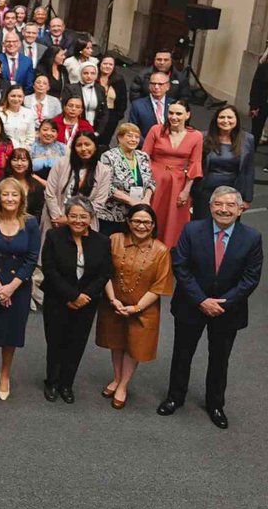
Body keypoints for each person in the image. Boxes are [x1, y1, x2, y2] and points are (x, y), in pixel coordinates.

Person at [158, 187, 263, 429]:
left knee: (220, 359)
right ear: (210, 206)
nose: (224, 209)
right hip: (191, 305)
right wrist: (201, 300)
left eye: (230, 205)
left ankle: (215, 404)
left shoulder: (252, 237)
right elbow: (181, 266)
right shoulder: (192, 230)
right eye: (219, 204)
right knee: (182, 354)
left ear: (240, 209)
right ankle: (175, 397)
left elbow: (251, 277)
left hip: (228, 310)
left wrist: (222, 303)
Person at [96, 205, 173, 410]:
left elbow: (160, 286)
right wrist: (113, 300)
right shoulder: (114, 240)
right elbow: (105, 272)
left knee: (134, 347)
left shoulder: (161, 250)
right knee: (116, 342)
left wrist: (136, 308)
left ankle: (123, 384)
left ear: (153, 225)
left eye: (147, 222)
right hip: (114, 303)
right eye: (137, 221)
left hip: (143, 309)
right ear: (128, 222)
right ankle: (116, 377)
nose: (141, 226)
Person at [0, 178, 42, 400]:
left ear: (22, 198)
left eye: (14, 194)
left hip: (17, 286)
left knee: (11, 332)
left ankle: (4, 374)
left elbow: (32, 258)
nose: (10, 198)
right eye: (5, 194)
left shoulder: (30, 223)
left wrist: (11, 288)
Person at [40, 197, 112, 404]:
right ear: (66, 216)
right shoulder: (54, 236)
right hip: (57, 299)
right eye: (73, 216)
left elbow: (105, 273)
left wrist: (83, 297)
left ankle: (66, 384)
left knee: (76, 343)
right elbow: (50, 269)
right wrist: (71, 296)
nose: (78, 220)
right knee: (55, 341)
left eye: (83, 216)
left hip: (87, 302)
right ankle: (52, 382)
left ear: (91, 218)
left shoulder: (102, 241)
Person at [141, 99, 202, 247]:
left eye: (179, 114)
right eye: (171, 113)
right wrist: (147, 183)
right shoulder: (156, 129)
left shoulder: (196, 136)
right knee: (151, 215)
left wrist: (186, 190)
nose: (174, 117)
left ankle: (166, 254)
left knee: (173, 221)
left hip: (178, 185)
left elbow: (195, 164)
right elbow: (144, 157)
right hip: (154, 180)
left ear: (187, 115)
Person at [42, 131, 113, 240]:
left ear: (95, 146)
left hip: (85, 224)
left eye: (87, 144)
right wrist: (58, 217)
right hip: (55, 221)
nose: (83, 149)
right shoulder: (62, 163)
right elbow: (50, 193)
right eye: (79, 145)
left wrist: (73, 219)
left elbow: (99, 202)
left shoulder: (104, 171)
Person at [192, 105, 255, 221]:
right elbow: (194, 165)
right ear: (216, 120)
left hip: (233, 193)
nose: (226, 121)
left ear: (237, 119)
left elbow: (249, 170)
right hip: (205, 191)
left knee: (227, 228)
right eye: (222, 117)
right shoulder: (202, 137)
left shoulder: (247, 139)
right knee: (202, 226)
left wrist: (247, 198)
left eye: (230, 117)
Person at [97, 122, 156, 236]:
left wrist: (146, 200)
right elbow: (106, 186)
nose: (134, 140)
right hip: (112, 214)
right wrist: (131, 201)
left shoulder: (142, 156)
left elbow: (151, 182)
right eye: (129, 136)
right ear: (120, 137)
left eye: (137, 137)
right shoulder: (109, 156)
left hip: (137, 214)